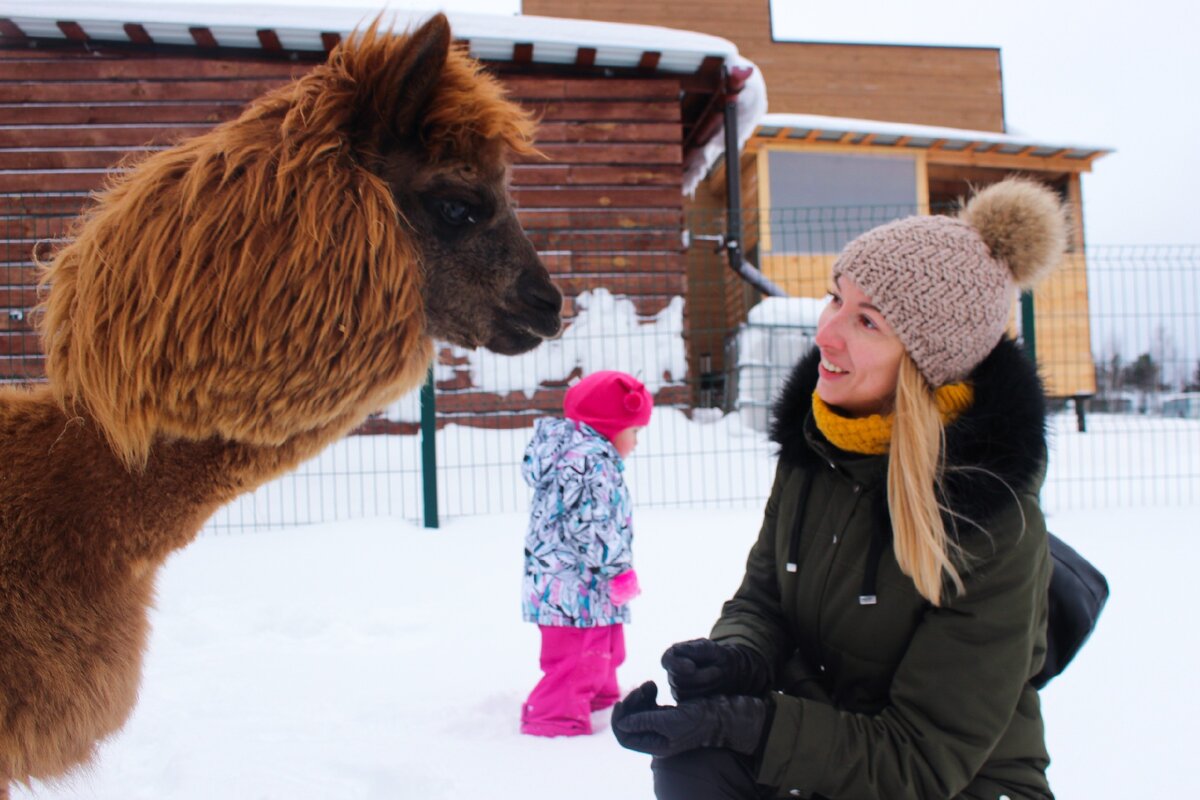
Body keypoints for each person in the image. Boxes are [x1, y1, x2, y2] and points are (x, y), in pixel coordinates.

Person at [611, 178, 1068, 799]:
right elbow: (764, 596)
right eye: (834, 298)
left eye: (867, 320)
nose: (825, 332)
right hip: (834, 740)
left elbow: (919, 760)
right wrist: (737, 659)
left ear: (926, 361)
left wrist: (755, 725)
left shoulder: (989, 516)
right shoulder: (819, 444)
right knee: (695, 762)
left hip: (957, 782)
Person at [520, 370, 653, 737]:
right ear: (610, 427)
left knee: (606, 644)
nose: (636, 442)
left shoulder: (591, 456)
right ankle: (553, 717)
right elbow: (591, 527)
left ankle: (599, 696)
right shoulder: (587, 462)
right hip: (569, 588)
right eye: (634, 431)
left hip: (587, 583)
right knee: (576, 658)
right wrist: (618, 568)